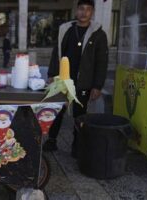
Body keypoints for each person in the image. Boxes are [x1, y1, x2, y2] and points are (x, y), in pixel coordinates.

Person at [43, 0, 108, 156]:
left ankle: (77, 144)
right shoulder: (66, 30)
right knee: (58, 110)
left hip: (83, 82)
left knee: (80, 115)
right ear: (76, 11)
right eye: (81, 9)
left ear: (92, 12)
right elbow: (56, 53)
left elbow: (102, 62)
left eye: (88, 9)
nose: (84, 12)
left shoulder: (98, 34)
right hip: (63, 80)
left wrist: (97, 86)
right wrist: (52, 74)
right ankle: (51, 140)